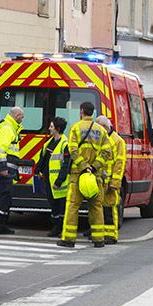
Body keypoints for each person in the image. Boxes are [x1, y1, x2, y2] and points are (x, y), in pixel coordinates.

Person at [58, 102, 112, 248]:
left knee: (73, 206)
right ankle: (98, 240)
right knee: (96, 207)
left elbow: (73, 150)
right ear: (92, 112)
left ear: (81, 111)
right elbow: (107, 152)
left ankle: (68, 240)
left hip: (77, 175)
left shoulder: (75, 128)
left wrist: (83, 167)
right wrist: (93, 168)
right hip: (95, 176)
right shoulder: (101, 130)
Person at [0, 106, 24, 237]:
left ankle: (1, 224)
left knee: (7, 195)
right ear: (17, 116)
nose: (22, 119)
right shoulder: (7, 128)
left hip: (7, 168)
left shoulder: (10, 127)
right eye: (22, 117)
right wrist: (3, 168)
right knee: (6, 194)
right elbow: (1, 149)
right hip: (4, 168)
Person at [96, 115, 126, 244]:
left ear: (104, 127)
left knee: (109, 209)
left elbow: (119, 164)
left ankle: (111, 235)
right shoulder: (102, 138)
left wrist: (115, 183)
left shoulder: (118, 141)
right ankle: (99, 233)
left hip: (109, 182)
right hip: (99, 181)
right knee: (98, 208)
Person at [36, 116, 69, 237]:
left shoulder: (65, 144)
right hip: (49, 180)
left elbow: (66, 166)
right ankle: (55, 227)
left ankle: (62, 228)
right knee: (53, 206)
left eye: (51, 126)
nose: (49, 129)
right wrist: (37, 170)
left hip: (60, 182)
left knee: (62, 207)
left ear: (58, 128)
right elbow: (43, 158)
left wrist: (59, 181)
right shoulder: (49, 142)